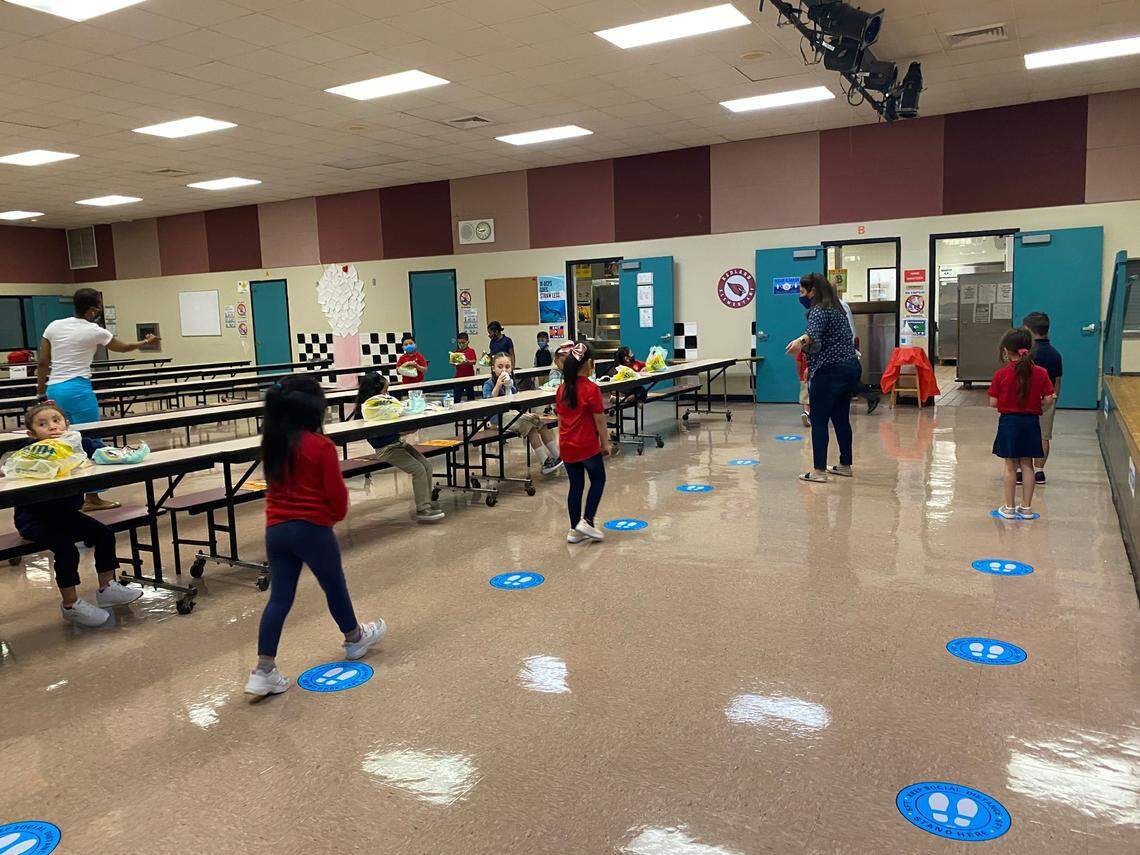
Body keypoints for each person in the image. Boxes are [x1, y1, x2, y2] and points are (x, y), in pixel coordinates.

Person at [245, 375, 385, 698]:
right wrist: (331, 519)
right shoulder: (321, 446)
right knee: (334, 585)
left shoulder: (272, 445)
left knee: (279, 599)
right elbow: (336, 499)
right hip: (312, 529)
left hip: (276, 531)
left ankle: (264, 670)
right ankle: (354, 638)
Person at [12, 402, 142, 627]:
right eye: (43, 424)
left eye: (56, 420)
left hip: (66, 514)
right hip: (34, 520)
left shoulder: (77, 443)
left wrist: (122, 452)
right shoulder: (31, 453)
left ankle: (107, 588)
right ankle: (70, 605)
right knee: (66, 550)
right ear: (31, 433)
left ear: (67, 423)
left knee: (104, 534)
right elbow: (13, 469)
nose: (52, 427)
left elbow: (101, 450)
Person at [36, 287, 158, 512]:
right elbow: (124, 348)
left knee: (60, 441)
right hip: (79, 390)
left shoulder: (53, 325)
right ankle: (92, 498)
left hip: (54, 389)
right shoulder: (94, 330)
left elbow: (43, 362)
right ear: (92, 310)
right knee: (91, 441)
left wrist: (41, 393)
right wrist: (145, 342)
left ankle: (63, 498)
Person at [785, 272, 862, 483]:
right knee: (841, 418)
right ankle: (845, 465)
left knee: (818, 420)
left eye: (803, 292)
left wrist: (799, 343)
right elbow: (826, 342)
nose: (803, 297)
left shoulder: (818, 310)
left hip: (830, 371)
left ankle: (819, 471)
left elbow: (813, 336)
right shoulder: (838, 309)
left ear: (814, 291)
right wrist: (812, 362)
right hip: (849, 368)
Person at [352, 372, 444, 523]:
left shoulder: (384, 405)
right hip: (385, 449)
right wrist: (403, 430)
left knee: (426, 465)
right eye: (385, 391)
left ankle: (427, 501)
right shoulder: (367, 411)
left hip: (398, 444)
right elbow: (377, 436)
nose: (387, 394)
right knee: (418, 469)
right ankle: (423, 509)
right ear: (374, 392)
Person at [989, 328, 1054, 520]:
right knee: (1028, 465)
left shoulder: (1002, 374)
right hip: (1031, 422)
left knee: (1010, 466)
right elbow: (1049, 398)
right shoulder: (1040, 373)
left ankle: (1009, 508)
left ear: (1006, 351)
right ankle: (1026, 508)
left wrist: (1007, 402)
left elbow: (993, 402)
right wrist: (1037, 404)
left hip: (1009, 423)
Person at [556, 342, 611, 544]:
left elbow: (561, 419)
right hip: (587, 446)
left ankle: (573, 530)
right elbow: (600, 420)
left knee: (575, 486)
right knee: (598, 480)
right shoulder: (591, 389)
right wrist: (605, 444)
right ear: (589, 364)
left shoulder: (562, 389)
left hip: (568, 446)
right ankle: (587, 520)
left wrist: (560, 443)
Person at [482, 353, 563, 476]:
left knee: (539, 422)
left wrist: (525, 414)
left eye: (507, 367)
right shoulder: (489, 384)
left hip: (513, 415)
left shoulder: (511, 383)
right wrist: (498, 385)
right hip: (496, 419)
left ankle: (557, 455)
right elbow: (489, 402)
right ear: (493, 368)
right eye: (500, 367)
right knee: (530, 428)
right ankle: (544, 461)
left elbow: (517, 403)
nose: (504, 370)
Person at [1022, 312, 1063, 485]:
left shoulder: (1028, 354)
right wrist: (1053, 398)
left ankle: (1022, 470)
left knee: (1024, 435)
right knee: (1044, 436)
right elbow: (1058, 380)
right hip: (1048, 398)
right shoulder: (1055, 354)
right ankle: (1039, 471)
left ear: (1029, 331)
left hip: (1027, 400)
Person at [452, 332, 477, 402]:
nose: (461, 344)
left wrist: (467, 361)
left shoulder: (471, 351)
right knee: (457, 397)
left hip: (469, 377)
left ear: (467, 342)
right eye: (459, 343)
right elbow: (453, 364)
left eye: (463, 343)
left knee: (470, 396)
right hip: (459, 377)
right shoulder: (456, 352)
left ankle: (472, 410)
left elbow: (474, 361)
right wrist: (454, 362)